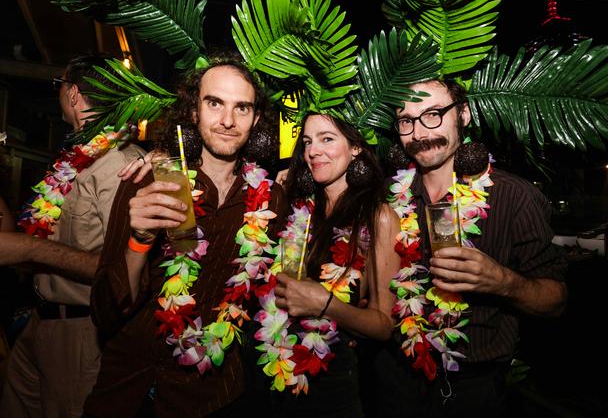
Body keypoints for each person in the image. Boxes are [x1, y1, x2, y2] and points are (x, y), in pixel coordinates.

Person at [83, 52, 286, 418]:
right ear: (194, 110)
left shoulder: (272, 199)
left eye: (242, 108)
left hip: (215, 397)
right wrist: (140, 240)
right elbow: (104, 311)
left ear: (256, 119)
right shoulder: (151, 181)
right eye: (214, 103)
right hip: (131, 390)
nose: (227, 120)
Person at [370, 79, 568, 418]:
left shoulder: (514, 197)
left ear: (463, 114)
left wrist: (503, 281)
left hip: (475, 389)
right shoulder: (386, 195)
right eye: (407, 121)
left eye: (432, 114)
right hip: (394, 377)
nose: (419, 133)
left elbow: (556, 301)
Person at [0, 53, 145, 417]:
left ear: (75, 94)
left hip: (80, 332)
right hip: (40, 321)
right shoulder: (76, 158)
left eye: (58, 85)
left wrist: (29, 249)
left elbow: (123, 272)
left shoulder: (120, 165)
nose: (58, 94)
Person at [245, 112, 400, 417]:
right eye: (307, 142)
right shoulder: (299, 208)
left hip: (331, 385)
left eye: (327, 139)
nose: (313, 151)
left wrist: (327, 305)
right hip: (274, 371)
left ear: (355, 147)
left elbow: (383, 326)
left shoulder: (378, 217)